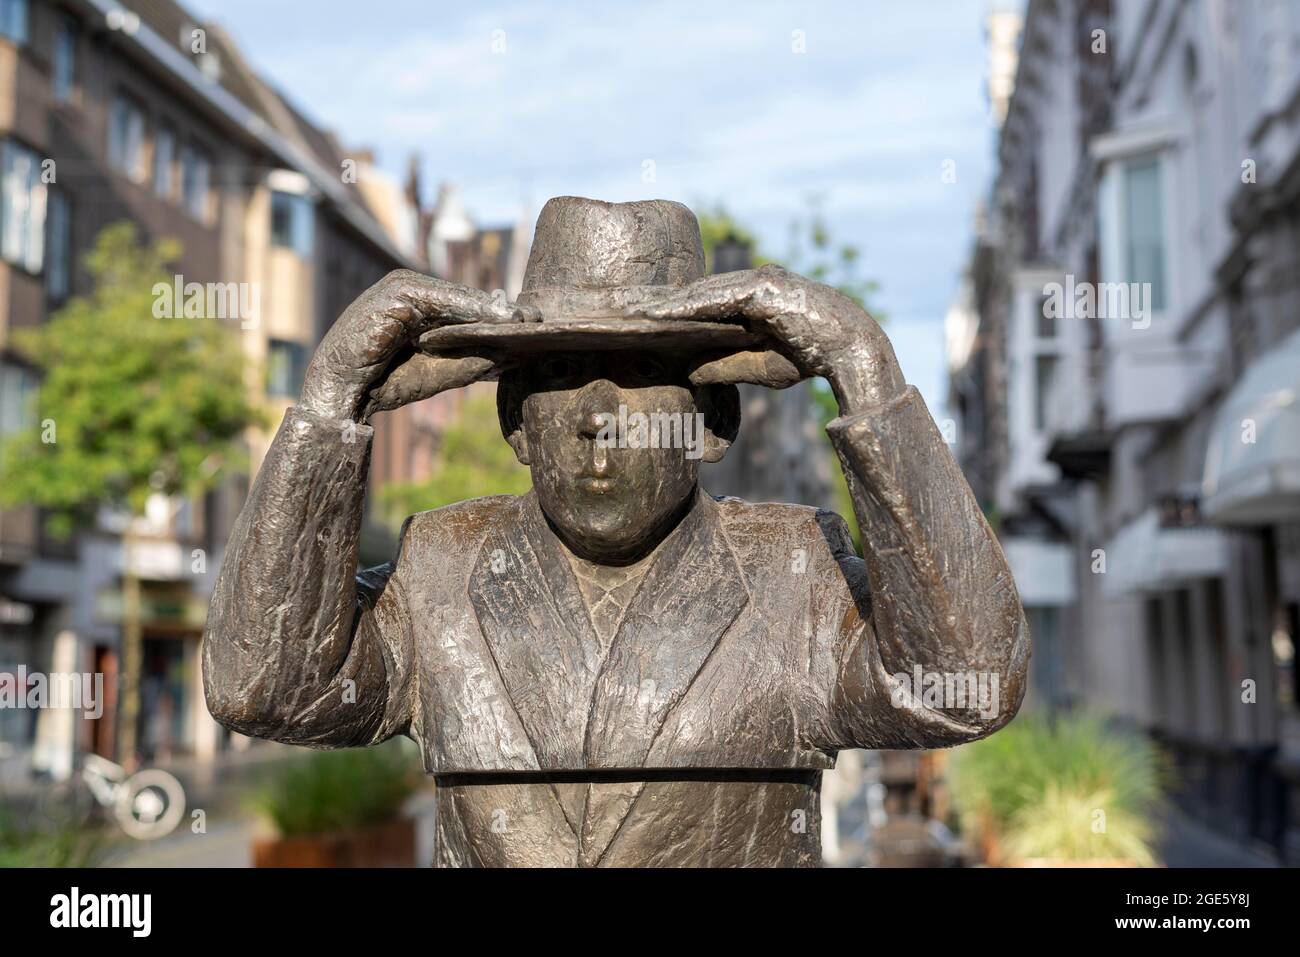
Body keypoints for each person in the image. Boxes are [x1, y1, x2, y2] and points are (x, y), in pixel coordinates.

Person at [202, 197, 1029, 867]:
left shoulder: (794, 573)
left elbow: (968, 685)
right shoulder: (440, 570)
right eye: (559, 375)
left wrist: (863, 369)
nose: (598, 416)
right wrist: (329, 402)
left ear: (710, 424)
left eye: (640, 376)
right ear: (516, 426)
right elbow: (266, 686)